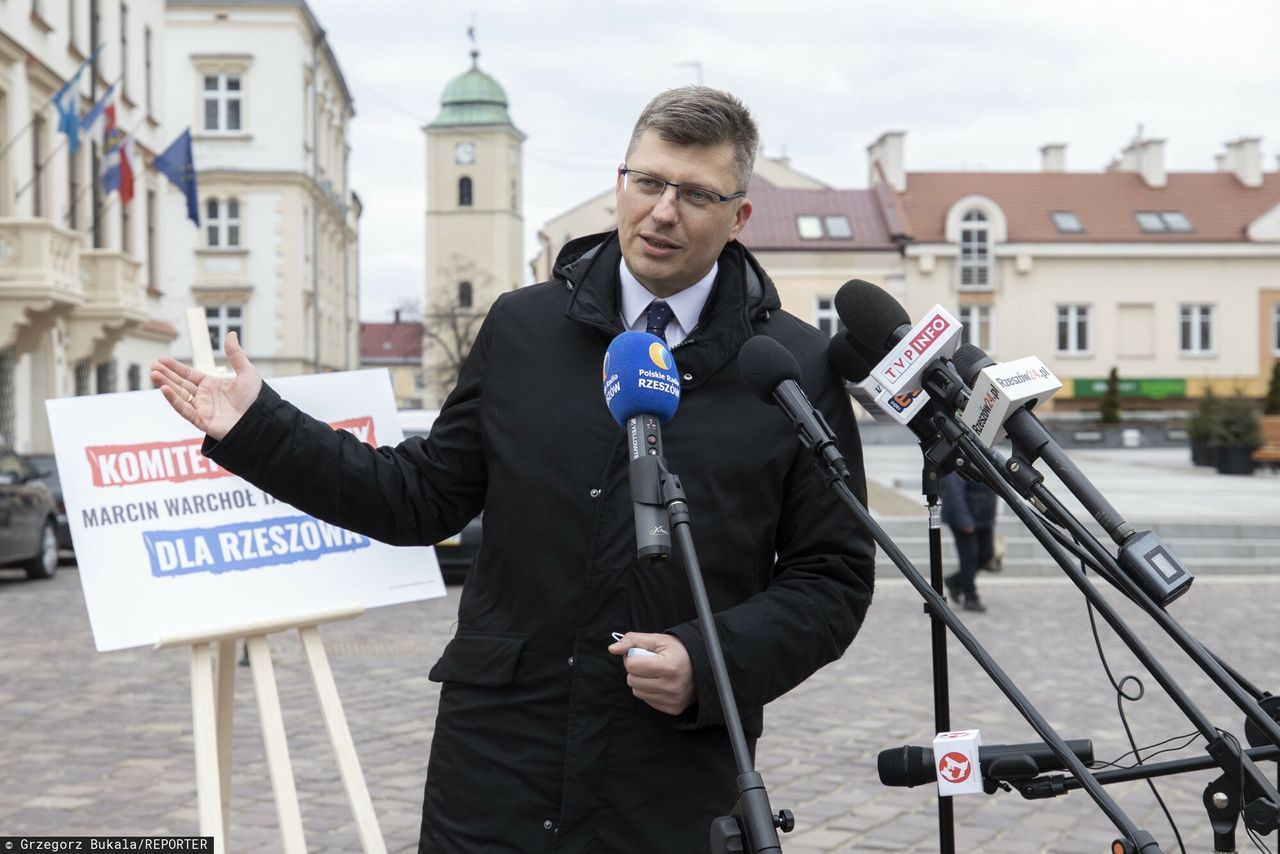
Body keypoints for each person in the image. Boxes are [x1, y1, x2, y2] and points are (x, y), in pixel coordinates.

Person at [151, 86, 875, 853]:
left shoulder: (792, 366)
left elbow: (831, 576)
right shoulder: (523, 327)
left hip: (671, 772)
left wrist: (709, 659)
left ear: (738, 216)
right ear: (620, 182)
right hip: (497, 759)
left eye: (696, 194)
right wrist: (259, 428)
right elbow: (418, 496)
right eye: (649, 183)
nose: (664, 211)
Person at [941, 471, 998, 612]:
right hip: (964, 518)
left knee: (987, 554)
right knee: (969, 558)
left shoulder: (985, 453)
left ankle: (955, 581)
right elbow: (954, 492)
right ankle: (970, 597)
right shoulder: (958, 457)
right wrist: (964, 520)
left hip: (983, 518)